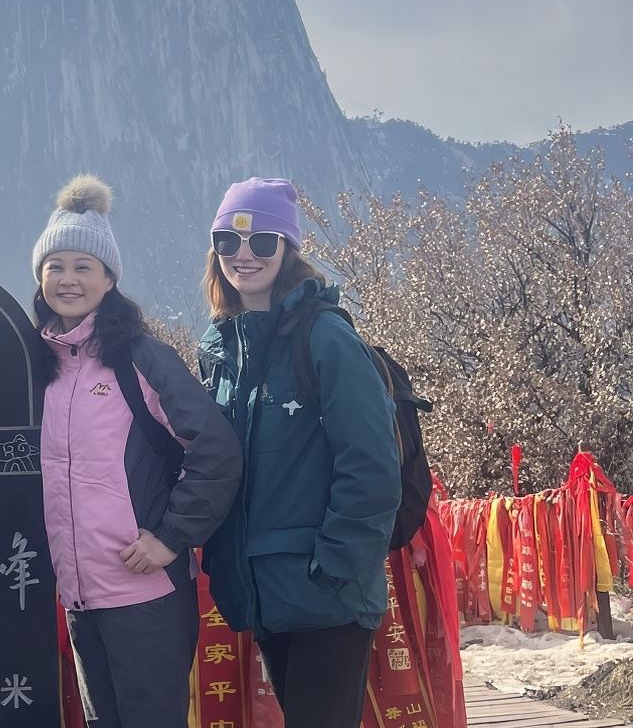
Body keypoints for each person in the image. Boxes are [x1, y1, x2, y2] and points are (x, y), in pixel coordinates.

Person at [31, 174, 242, 728]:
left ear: (108, 279)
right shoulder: (38, 367)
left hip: (144, 591)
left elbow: (216, 450)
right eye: (56, 266)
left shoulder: (139, 360)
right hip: (78, 595)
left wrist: (171, 538)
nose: (69, 279)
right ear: (40, 277)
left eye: (84, 267)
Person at [198, 177, 400, 728]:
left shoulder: (324, 338)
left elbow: (372, 465)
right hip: (267, 589)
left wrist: (333, 565)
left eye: (262, 241)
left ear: (287, 249)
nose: (244, 254)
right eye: (227, 241)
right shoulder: (223, 353)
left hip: (324, 591)